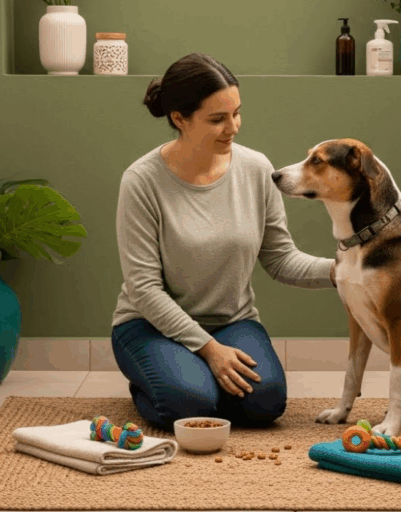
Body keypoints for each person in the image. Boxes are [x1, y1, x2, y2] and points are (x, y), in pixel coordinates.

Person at [111, 53, 337, 431]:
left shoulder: (256, 169)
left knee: (265, 403)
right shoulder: (141, 181)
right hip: (149, 324)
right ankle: (160, 383)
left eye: (236, 113)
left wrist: (342, 270)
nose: (232, 127)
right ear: (179, 119)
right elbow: (144, 289)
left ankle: (189, 379)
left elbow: (280, 259)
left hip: (232, 321)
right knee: (190, 405)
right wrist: (209, 351)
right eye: (217, 119)